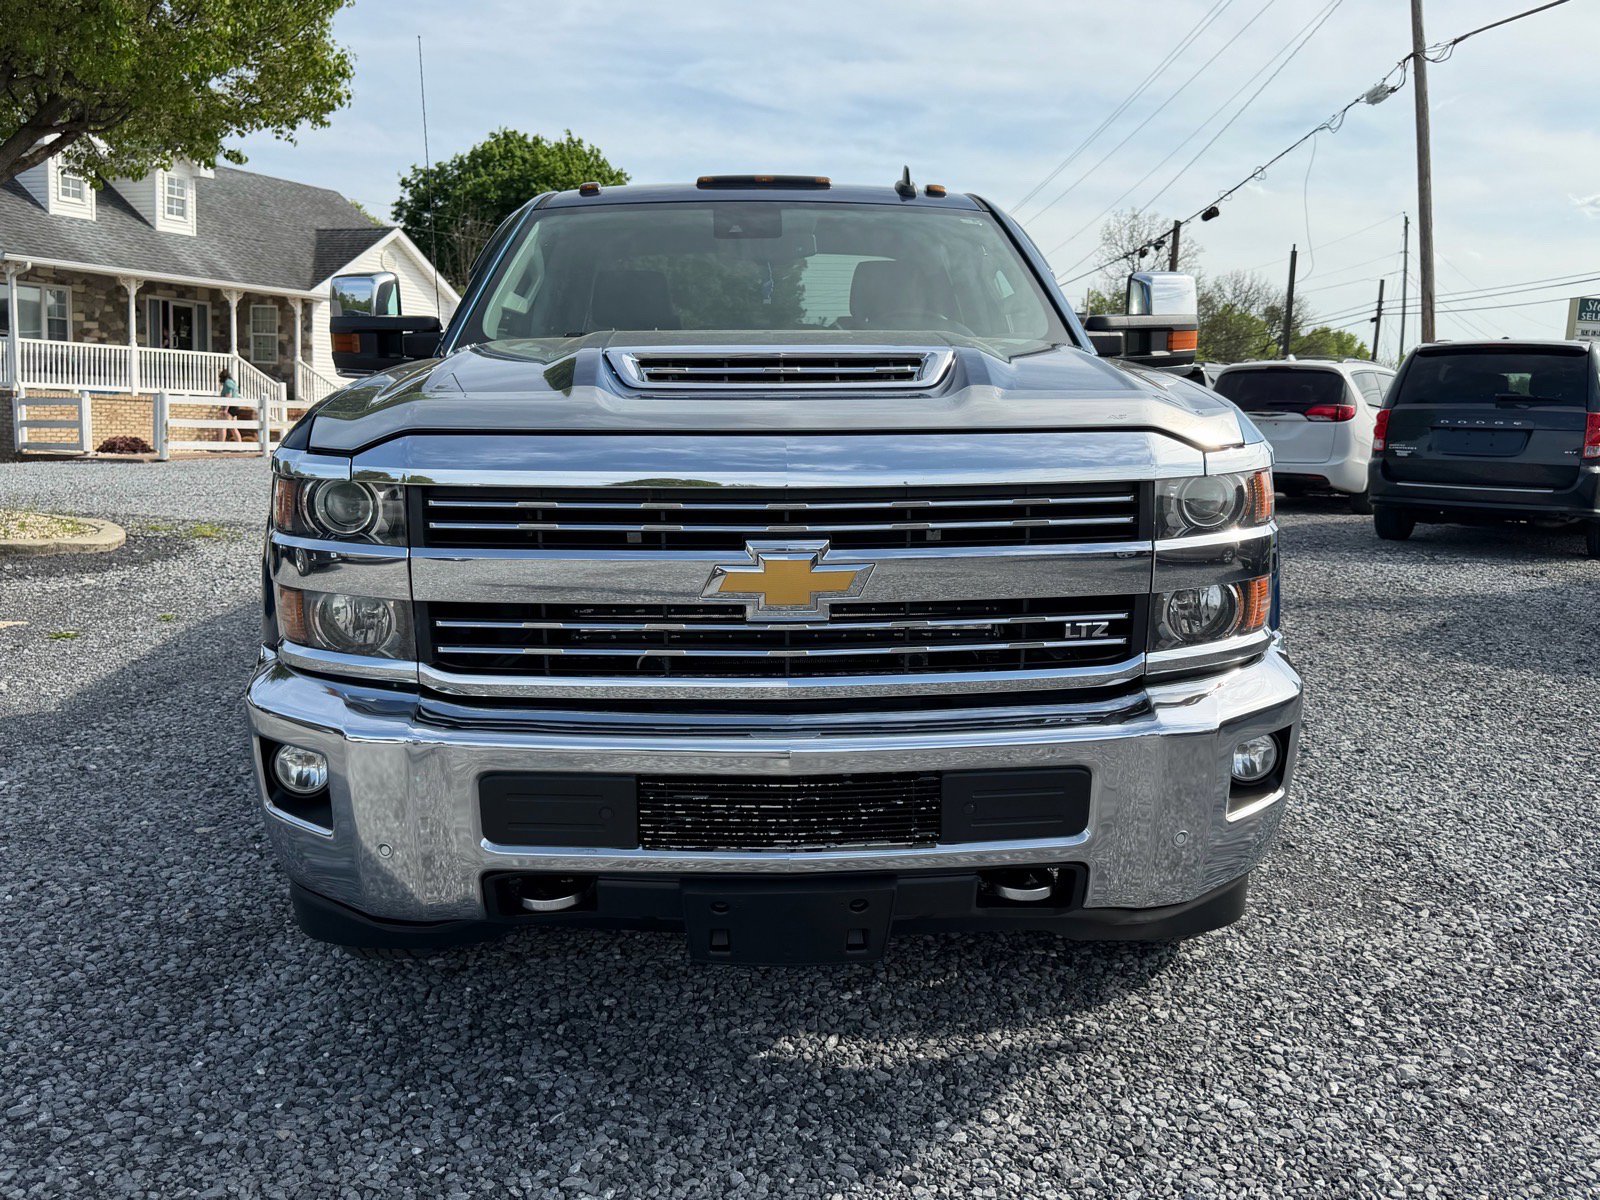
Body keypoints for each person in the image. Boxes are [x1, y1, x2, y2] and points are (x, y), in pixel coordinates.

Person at [219, 369, 247, 443]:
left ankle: (220, 447)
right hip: (236, 406)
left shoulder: (227, 383)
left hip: (230, 407)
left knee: (223, 426)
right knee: (233, 428)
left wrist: (225, 409)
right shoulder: (233, 382)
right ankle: (239, 446)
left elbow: (229, 396)